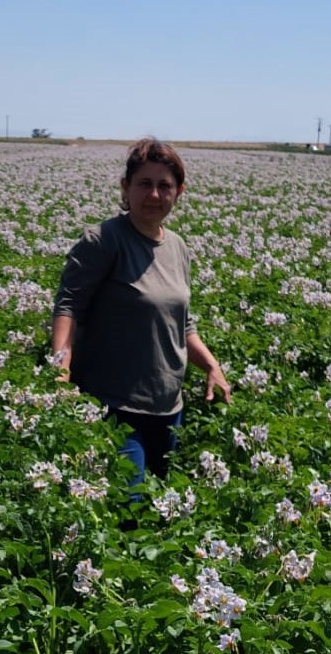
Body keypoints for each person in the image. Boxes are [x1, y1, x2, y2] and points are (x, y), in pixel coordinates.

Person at [50, 138, 231, 486]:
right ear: (126, 187)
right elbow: (68, 306)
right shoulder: (103, 240)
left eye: (165, 186)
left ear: (179, 192)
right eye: (144, 184)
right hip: (114, 406)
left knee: (161, 504)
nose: (154, 195)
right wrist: (60, 370)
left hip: (168, 408)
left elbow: (182, 323)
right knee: (128, 508)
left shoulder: (177, 246)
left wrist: (211, 365)